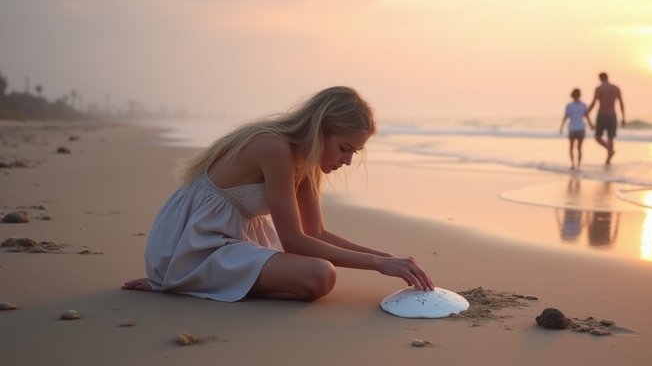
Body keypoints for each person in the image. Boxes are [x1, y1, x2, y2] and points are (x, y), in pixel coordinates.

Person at [122, 86, 434, 302]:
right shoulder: (274, 148)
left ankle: (200, 285)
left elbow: (316, 233)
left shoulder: (306, 163)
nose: (347, 161)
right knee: (320, 275)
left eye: (355, 152)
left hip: (232, 240)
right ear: (318, 130)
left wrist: (390, 260)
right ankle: (181, 281)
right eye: (344, 148)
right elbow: (294, 241)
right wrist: (378, 265)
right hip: (194, 244)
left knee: (316, 279)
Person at [586, 72, 625, 164]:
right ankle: (608, 159)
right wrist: (623, 117)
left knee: (598, 137)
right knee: (610, 138)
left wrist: (587, 112)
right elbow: (621, 103)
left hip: (602, 115)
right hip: (612, 115)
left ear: (600, 78)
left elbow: (594, 102)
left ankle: (609, 150)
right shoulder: (616, 88)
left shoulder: (599, 88)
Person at [559, 88, 594, 170]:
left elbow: (565, 117)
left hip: (572, 128)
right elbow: (587, 117)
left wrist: (561, 127)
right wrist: (591, 125)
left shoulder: (569, 105)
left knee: (571, 147)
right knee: (579, 148)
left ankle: (572, 164)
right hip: (581, 128)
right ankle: (578, 165)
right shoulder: (583, 105)